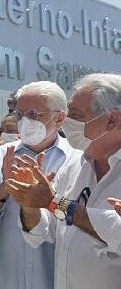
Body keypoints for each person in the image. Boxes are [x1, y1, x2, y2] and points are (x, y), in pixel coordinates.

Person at [6, 73, 121, 289]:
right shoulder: (74, 164)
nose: (66, 122)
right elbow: (46, 231)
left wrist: (53, 202)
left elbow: (116, 232)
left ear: (112, 120)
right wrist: (30, 207)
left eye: (76, 116)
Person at [0, 81, 81, 289]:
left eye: (33, 114)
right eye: (20, 114)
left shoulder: (77, 160)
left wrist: (46, 200)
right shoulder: (1, 156)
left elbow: (77, 221)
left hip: (52, 279)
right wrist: (3, 190)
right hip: (3, 279)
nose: (25, 121)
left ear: (59, 118)